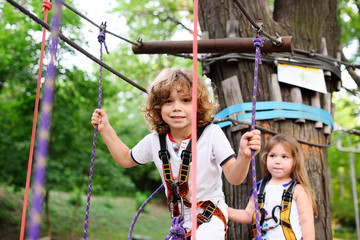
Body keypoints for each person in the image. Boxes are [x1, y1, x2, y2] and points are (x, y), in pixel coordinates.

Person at [91, 68, 261, 239]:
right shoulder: (155, 141)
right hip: (180, 223)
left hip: (211, 217)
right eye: (168, 101)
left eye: (186, 100)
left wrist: (244, 156)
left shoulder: (212, 134)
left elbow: (234, 177)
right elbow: (126, 158)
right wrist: (106, 130)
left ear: (199, 107)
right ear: (158, 107)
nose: (176, 108)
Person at [228, 134, 316, 240]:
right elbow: (248, 214)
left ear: (295, 161)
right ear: (266, 158)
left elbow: (306, 222)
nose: (277, 161)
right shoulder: (259, 188)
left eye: (284, 157)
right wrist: (224, 209)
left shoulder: (298, 191)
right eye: (272, 156)